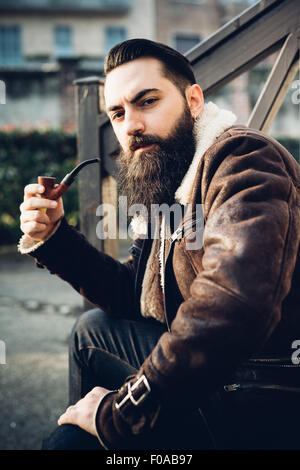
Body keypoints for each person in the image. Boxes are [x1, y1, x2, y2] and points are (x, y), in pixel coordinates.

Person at [18, 39, 300, 450]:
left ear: (194, 100)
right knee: (91, 330)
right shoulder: (170, 177)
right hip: (221, 374)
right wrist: (54, 239)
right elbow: (136, 295)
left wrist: (120, 414)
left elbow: (234, 303)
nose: (130, 124)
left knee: (65, 445)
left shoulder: (245, 161)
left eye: (146, 101)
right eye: (118, 112)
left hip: (261, 389)